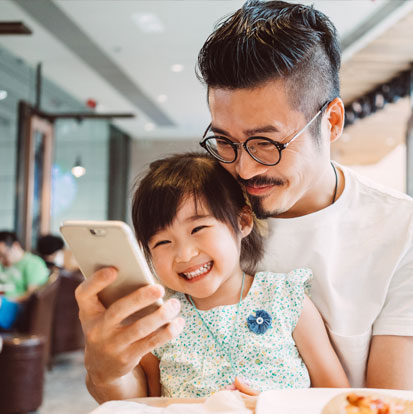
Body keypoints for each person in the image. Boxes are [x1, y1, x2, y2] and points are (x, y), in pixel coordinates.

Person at [76, 0, 413, 402]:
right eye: (224, 141)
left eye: (265, 143)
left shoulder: (406, 232)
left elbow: (384, 407)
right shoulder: (200, 211)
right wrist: (105, 368)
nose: (242, 168)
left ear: (331, 123)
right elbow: (142, 393)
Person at [129, 153, 348, 397]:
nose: (184, 254)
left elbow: (338, 398)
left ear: (242, 222)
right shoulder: (158, 321)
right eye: (162, 242)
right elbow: (146, 406)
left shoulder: (285, 299)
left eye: (198, 228)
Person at [0, 231, 49, 301]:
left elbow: (32, 295)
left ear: (16, 246)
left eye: (3, 255)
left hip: (15, 306)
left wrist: (8, 304)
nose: (0, 260)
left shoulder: (34, 263)